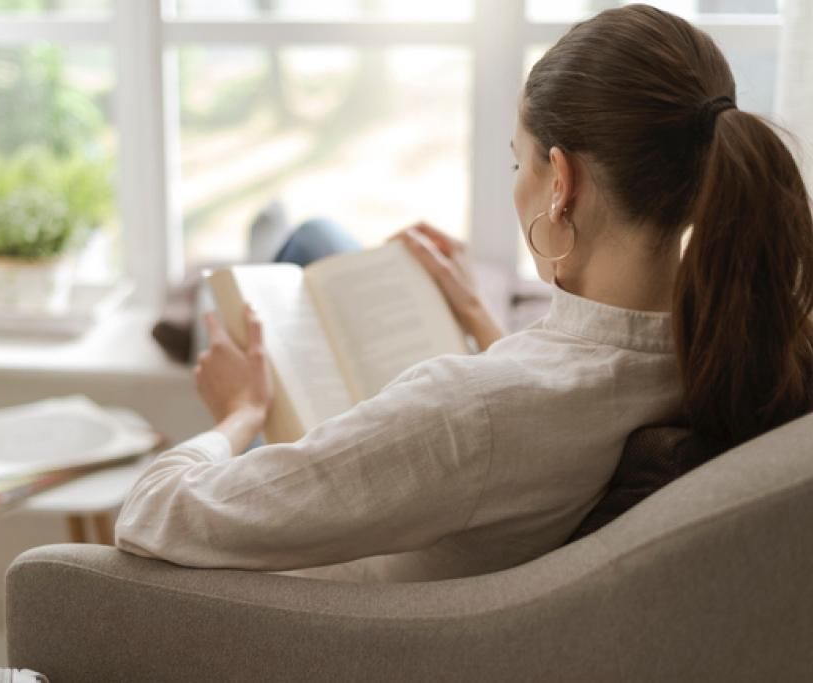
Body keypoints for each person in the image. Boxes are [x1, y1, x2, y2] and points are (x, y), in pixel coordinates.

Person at [115, 4, 813, 582]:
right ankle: (283, 240)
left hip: (384, 536)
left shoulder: (469, 411)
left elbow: (154, 513)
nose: (518, 183)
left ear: (562, 182)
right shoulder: (741, 349)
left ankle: (267, 249)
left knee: (307, 245)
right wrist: (481, 319)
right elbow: (570, 396)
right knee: (325, 244)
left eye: (520, 161)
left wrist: (238, 414)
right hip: (468, 455)